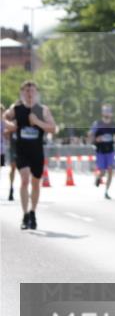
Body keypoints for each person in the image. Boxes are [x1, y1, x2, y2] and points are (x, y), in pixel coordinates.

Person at [3, 81, 58, 230]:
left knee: (35, 183)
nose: (30, 94)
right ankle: (25, 214)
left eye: (32, 91)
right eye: (27, 91)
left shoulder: (43, 110)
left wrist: (37, 122)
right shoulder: (16, 108)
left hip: (37, 152)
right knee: (25, 180)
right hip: (22, 151)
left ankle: (33, 212)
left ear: (36, 93)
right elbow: (4, 117)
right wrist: (10, 125)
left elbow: (53, 128)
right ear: (22, 93)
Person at [88, 104, 115, 199]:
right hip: (100, 151)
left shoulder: (113, 124)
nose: (107, 113)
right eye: (105, 111)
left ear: (111, 113)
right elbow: (90, 135)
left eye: (109, 111)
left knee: (110, 170)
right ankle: (98, 178)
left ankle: (106, 191)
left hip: (110, 151)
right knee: (102, 172)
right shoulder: (97, 123)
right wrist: (96, 139)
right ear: (102, 112)